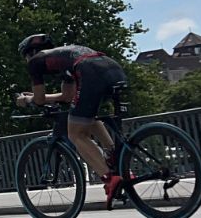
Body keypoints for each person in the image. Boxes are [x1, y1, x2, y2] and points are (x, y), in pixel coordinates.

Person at [16, 34, 128, 201]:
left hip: (90, 73)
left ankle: (110, 179)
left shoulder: (35, 62)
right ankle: (116, 157)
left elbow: (39, 100)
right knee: (86, 115)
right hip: (112, 68)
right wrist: (36, 97)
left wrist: (26, 100)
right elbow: (68, 96)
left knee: (75, 134)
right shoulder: (62, 57)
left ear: (30, 53)